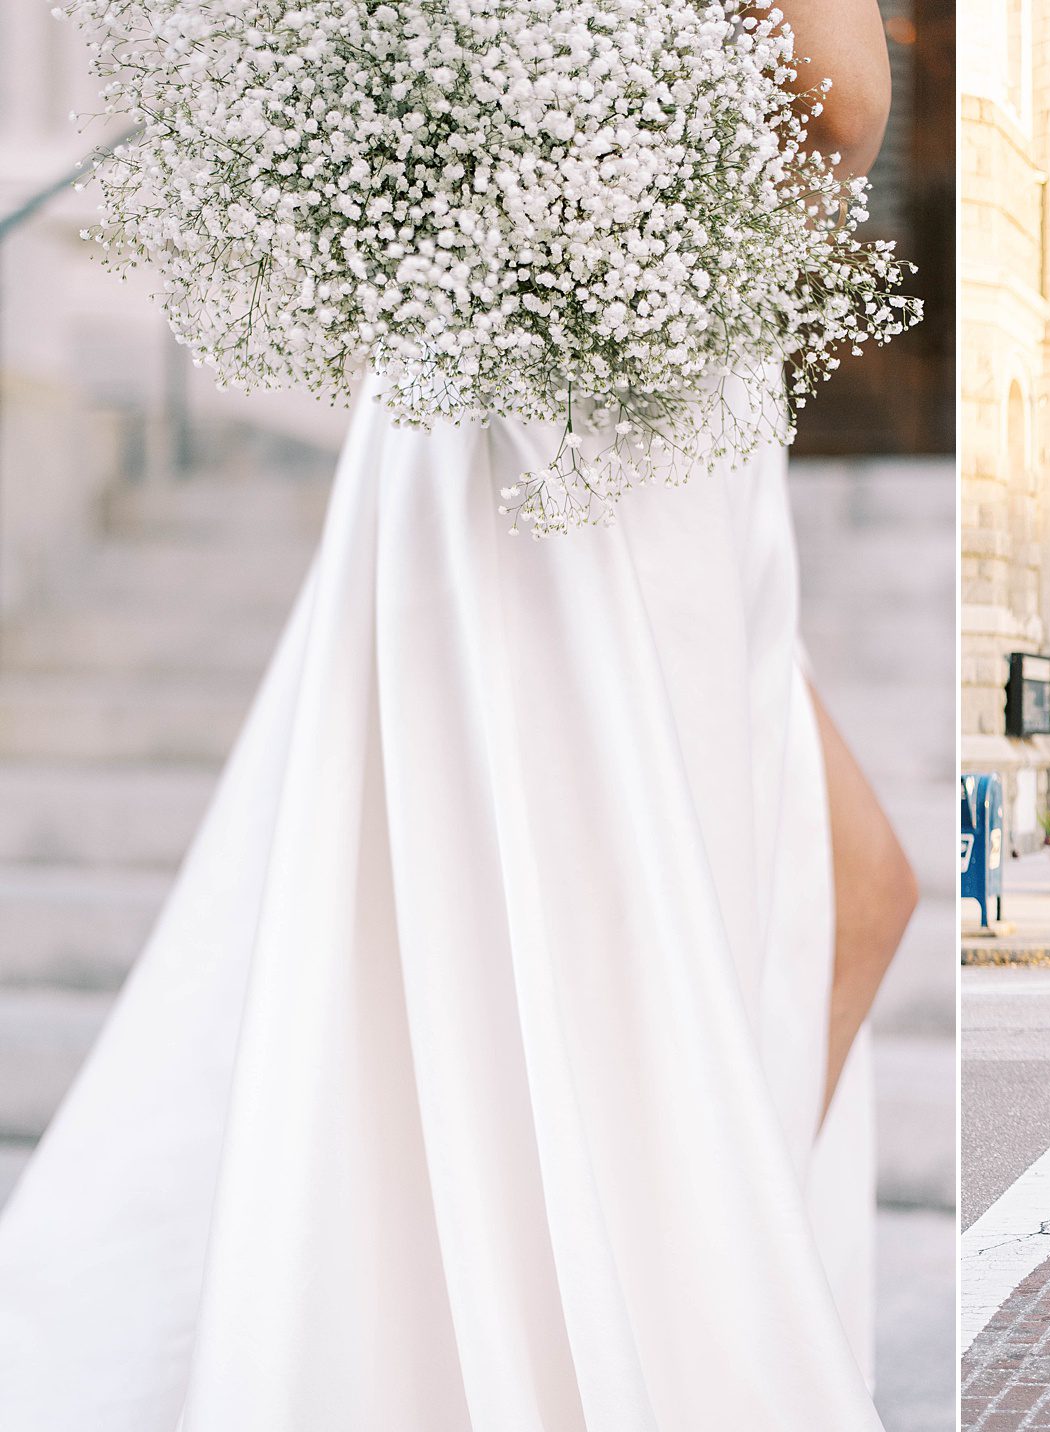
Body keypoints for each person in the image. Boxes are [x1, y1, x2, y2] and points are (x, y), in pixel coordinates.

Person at [0, 2, 916, 1427]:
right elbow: (844, 94)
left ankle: (661, 1319)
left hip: (546, 355)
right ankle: (656, 1347)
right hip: (599, 389)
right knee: (629, 934)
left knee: (700, 908)